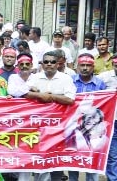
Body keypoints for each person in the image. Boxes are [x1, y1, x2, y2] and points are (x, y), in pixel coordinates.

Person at [25, 50, 76, 181]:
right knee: (39, 161)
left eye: (52, 62)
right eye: (46, 62)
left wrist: (51, 96)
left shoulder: (66, 79)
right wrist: (38, 95)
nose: (49, 64)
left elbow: (70, 99)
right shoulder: (34, 77)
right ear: (42, 64)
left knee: (56, 162)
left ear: (58, 64)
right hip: (38, 126)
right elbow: (23, 93)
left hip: (59, 127)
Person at [66, 53, 106, 181]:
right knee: (73, 159)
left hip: (93, 128)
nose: (85, 68)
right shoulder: (70, 81)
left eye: (88, 65)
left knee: (92, 159)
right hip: (73, 126)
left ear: (93, 67)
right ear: (77, 66)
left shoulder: (100, 84)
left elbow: (106, 106)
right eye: (82, 65)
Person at [97, 54, 117, 180]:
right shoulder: (104, 77)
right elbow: (93, 88)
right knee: (113, 154)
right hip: (113, 119)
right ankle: (113, 178)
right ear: (113, 64)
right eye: (116, 65)